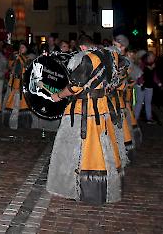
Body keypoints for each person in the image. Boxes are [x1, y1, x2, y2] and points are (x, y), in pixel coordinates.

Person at [46, 34, 123, 204]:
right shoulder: (113, 55)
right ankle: (106, 186)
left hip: (85, 109)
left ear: (81, 48)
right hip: (104, 107)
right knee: (106, 148)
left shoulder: (87, 60)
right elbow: (120, 76)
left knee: (81, 148)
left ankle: (82, 189)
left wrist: (58, 95)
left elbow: (74, 86)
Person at [3, 42, 32, 129]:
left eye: (23, 47)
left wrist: (19, 57)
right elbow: (9, 66)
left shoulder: (29, 58)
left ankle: (23, 125)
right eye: (20, 47)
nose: (21, 49)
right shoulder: (16, 58)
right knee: (11, 104)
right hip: (14, 84)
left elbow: (27, 67)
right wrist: (13, 59)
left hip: (22, 85)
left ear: (26, 49)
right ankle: (11, 124)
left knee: (22, 105)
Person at [135, 51, 162, 124]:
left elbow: (154, 75)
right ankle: (135, 118)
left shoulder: (153, 65)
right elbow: (139, 74)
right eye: (152, 57)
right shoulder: (142, 64)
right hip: (141, 86)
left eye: (154, 57)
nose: (153, 58)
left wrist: (158, 82)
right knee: (139, 102)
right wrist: (140, 82)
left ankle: (149, 118)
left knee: (148, 102)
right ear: (148, 57)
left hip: (149, 86)